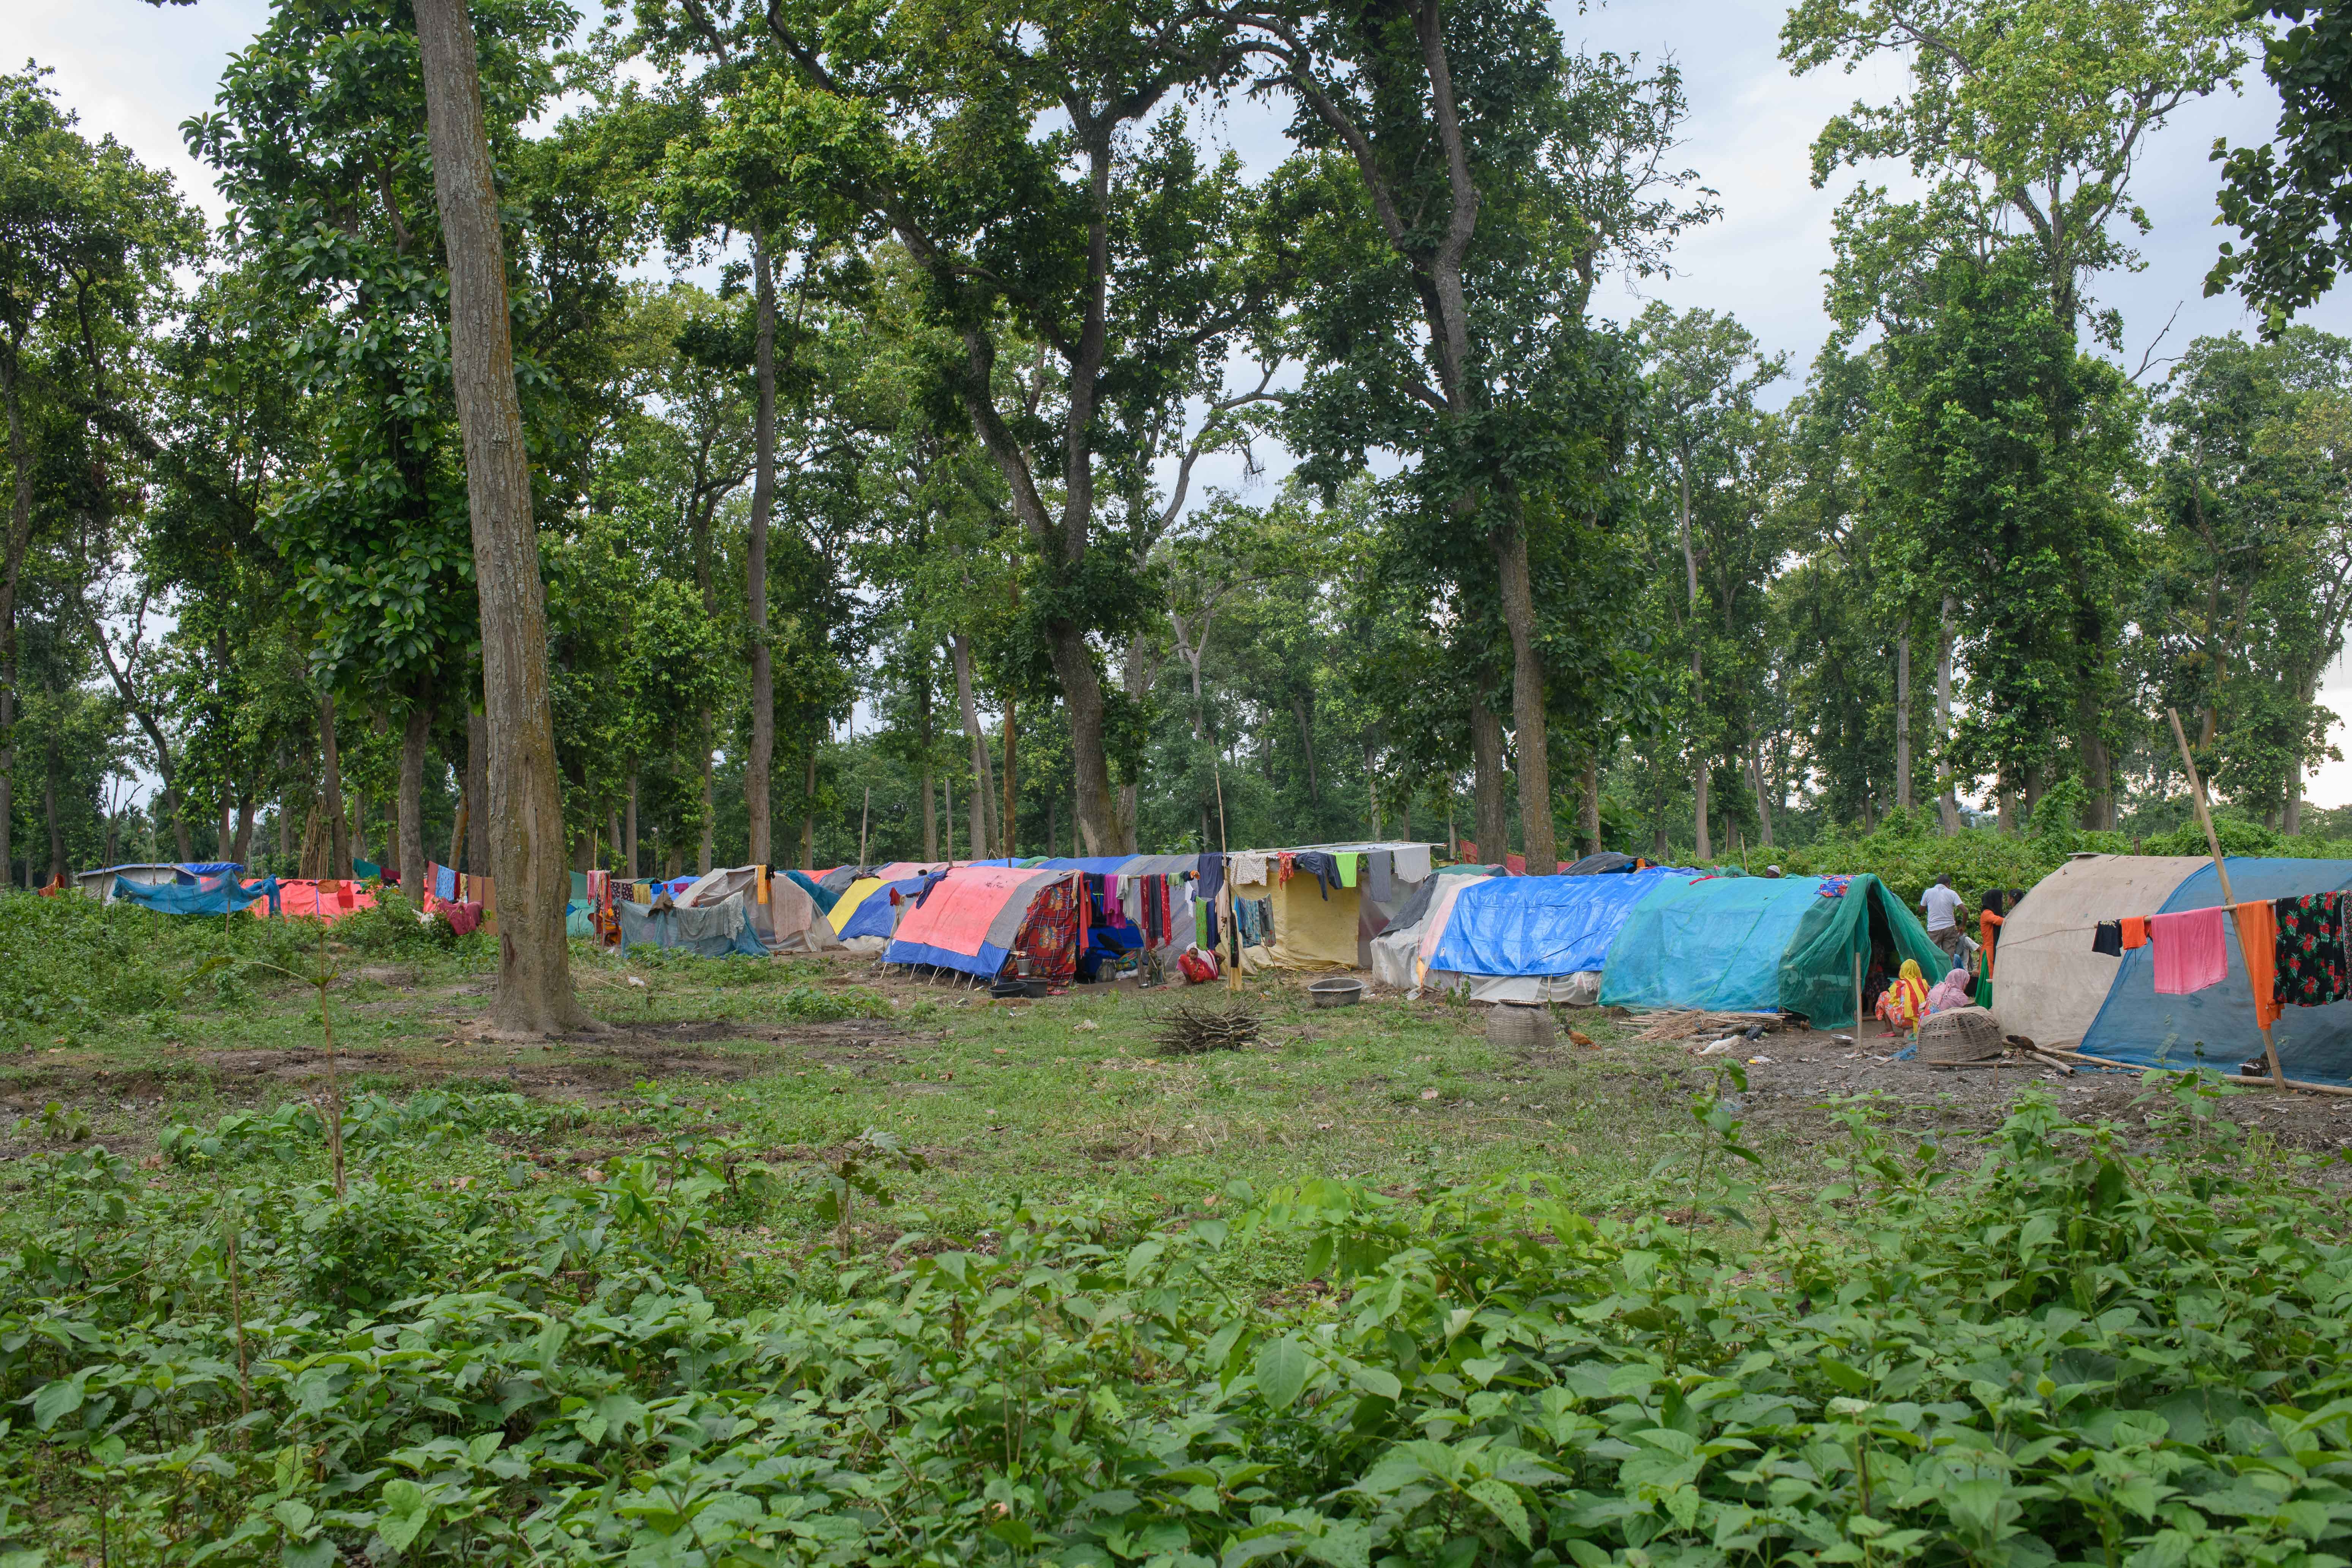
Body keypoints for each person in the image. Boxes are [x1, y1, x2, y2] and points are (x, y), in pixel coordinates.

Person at [1876, 958, 1929, 1039]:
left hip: (1903, 1021)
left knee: (1884, 995)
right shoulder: (1924, 983)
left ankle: (1889, 1029)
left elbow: (1894, 1002)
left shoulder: (1899, 984)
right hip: (1922, 1019)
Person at [1921, 874, 1966, 964]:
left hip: (1934, 929)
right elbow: (1966, 912)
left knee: (1933, 956)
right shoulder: (1952, 893)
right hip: (1949, 928)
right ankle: (1948, 976)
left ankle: (1934, 976)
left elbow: (1921, 909)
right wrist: (1962, 926)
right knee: (1949, 956)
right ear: (1947, 884)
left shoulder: (1928, 892)